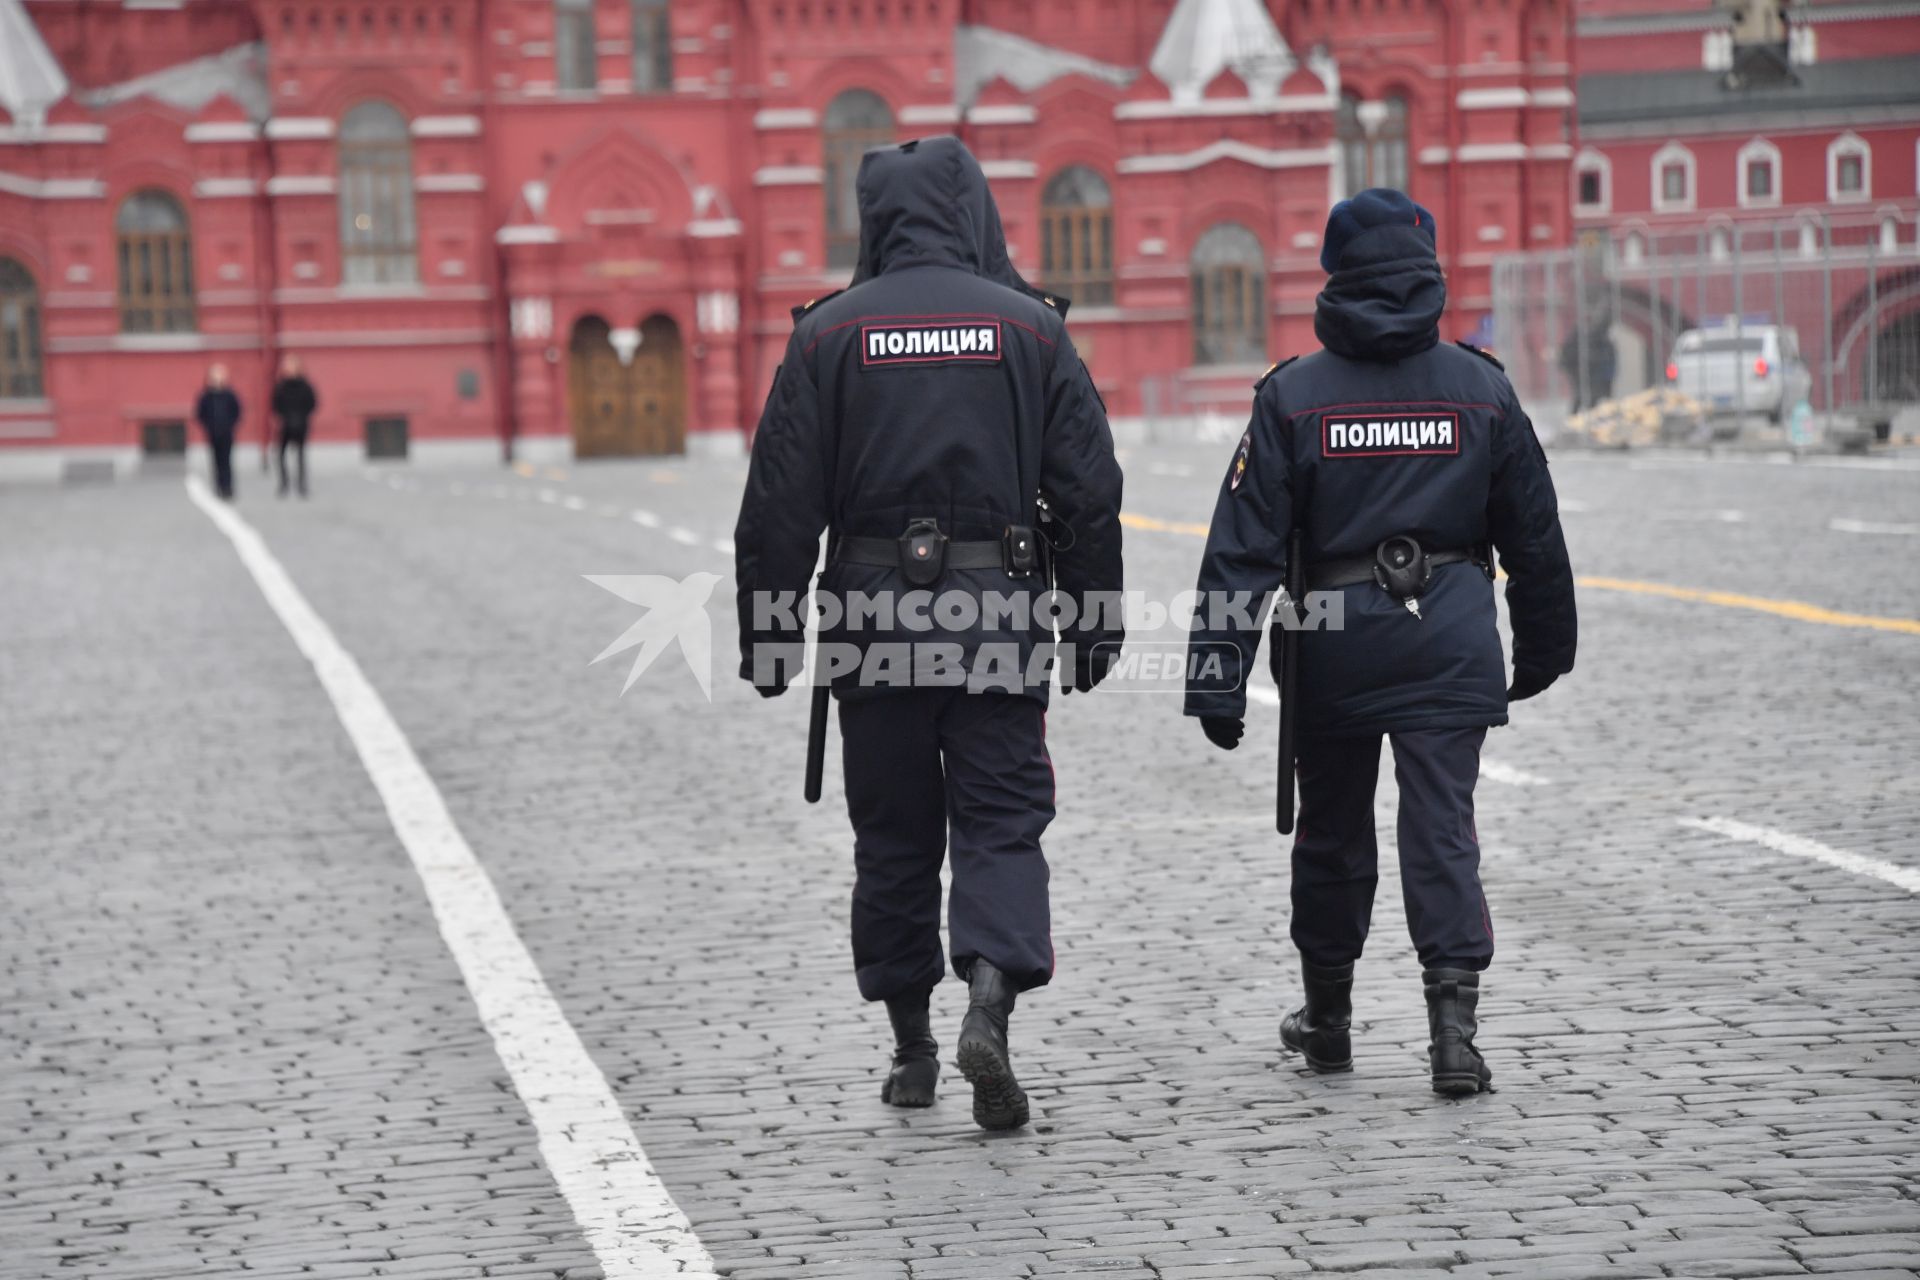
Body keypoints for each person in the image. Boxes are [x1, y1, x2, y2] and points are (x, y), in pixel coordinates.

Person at [734, 136, 1124, 1131]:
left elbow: (779, 499)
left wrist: (768, 636)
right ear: (975, 212)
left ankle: (911, 1051)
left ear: (875, 217)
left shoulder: (828, 335)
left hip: (871, 627)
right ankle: (989, 1001)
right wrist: (1093, 616)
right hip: (999, 621)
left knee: (893, 838)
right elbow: (1087, 487)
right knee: (1000, 822)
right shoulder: (1031, 328)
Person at [1183, 189, 1577, 1097]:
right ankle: (1453, 1036)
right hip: (1450, 639)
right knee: (1443, 832)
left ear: (1337, 276)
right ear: (1428, 272)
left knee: (1331, 836)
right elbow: (1534, 535)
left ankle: (1328, 1022)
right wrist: (1545, 646)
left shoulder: (1293, 396)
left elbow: (1239, 549)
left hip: (1334, 646)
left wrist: (1216, 680)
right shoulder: (1483, 389)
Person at [271, 355, 318, 497]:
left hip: (301, 424)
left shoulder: (305, 386)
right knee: (281, 455)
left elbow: (312, 403)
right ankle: (284, 483)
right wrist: (282, 417)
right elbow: (275, 404)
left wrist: (302, 416)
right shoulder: (281, 386)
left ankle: (301, 484)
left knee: (301, 455)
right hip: (285, 424)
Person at [194, 364, 242, 500]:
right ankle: (218, 487)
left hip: (227, 433)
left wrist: (230, 425)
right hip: (213, 433)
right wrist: (208, 426)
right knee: (215, 461)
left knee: (226, 461)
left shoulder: (229, 395)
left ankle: (228, 487)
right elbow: (200, 413)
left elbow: (237, 411)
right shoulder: (206, 396)